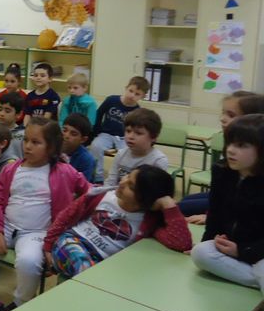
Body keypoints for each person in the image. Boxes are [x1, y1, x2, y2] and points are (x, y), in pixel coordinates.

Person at [0, 117, 90, 311]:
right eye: (26, 140)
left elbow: (89, 192)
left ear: (51, 148)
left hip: (37, 233)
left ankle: (19, 303)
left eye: (36, 142)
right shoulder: (12, 168)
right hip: (7, 226)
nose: (27, 146)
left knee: (28, 262)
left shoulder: (65, 171)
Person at [44, 165, 191, 278]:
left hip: (103, 262)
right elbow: (66, 216)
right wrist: (48, 245)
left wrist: (168, 205)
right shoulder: (100, 195)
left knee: (105, 277)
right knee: (84, 267)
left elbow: (181, 243)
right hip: (72, 242)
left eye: (131, 186)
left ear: (144, 200)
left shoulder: (148, 221)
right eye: (127, 175)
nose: (123, 182)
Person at [191, 114, 264, 295]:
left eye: (241, 146)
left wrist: (243, 251)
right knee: (200, 253)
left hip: (257, 250)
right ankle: (257, 280)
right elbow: (214, 213)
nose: (230, 150)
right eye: (230, 143)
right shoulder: (222, 172)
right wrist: (210, 240)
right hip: (233, 247)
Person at [180, 91, 264, 221]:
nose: (222, 118)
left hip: (240, 197)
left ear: (250, 120)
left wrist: (208, 216)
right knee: (185, 200)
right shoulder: (229, 143)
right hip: (230, 192)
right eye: (223, 112)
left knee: (182, 207)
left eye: (230, 115)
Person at [89, 76, 149, 184]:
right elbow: (99, 114)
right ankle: (98, 177)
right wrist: (96, 132)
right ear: (126, 88)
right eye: (131, 91)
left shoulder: (137, 111)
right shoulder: (111, 100)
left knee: (127, 153)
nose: (132, 95)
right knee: (96, 146)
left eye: (137, 94)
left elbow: (135, 130)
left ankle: (122, 179)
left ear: (143, 96)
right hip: (106, 134)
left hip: (123, 138)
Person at [105, 108, 168, 187]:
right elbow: (111, 182)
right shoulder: (121, 154)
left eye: (138, 133)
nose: (130, 136)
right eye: (128, 131)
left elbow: (155, 192)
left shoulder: (158, 160)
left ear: (153, 137)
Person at [61, 113, 97, 183]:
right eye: (64, 130)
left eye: (73, 134)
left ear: (83, 140)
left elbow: (82, 188)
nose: (66, 135)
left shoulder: (87, 160)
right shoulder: (52, 149)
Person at [0, 91, 26, 159]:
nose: (2, 114)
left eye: (7, 111)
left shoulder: (23, 135)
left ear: (19, 114)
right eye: (0, 109)